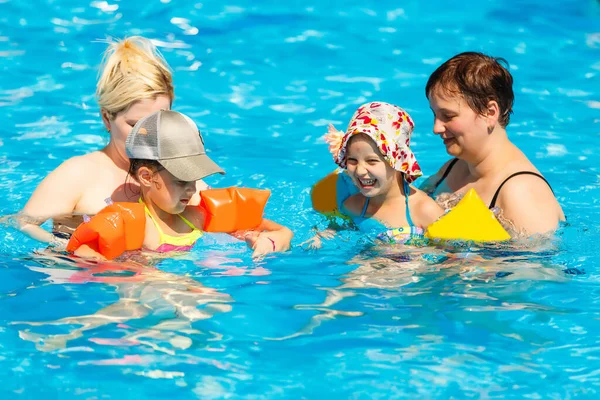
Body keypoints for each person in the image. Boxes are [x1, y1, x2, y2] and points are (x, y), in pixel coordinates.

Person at [18, 36, 205, 245]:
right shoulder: (78, 174)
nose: (151, 136)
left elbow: (222, 216)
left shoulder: (178, 172)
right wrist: (68, 249)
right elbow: (22, 224)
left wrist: (249, 236)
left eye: (160, 123)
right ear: (107, 118)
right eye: (136, 125)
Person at [74, 110, 293, 259]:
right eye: (181, 180)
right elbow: (82, 256)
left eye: (194, 179)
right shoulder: (134, 226)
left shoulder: (197, 217)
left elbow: (284, 232)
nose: (191, 189)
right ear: (147, 177)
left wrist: (268, 244)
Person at [420, 52, 565, 236]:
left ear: (489, 112)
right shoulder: (453, 168)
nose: (436, 128)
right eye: (435, 115)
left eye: (448, 116)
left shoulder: (521, 192)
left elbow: (540, 264)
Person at [308, 101, 443, 248]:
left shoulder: (423, 210)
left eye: (372, 161)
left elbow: (453, 257)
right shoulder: (354, 206)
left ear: (397, 162)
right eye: (352, 160)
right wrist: (319, 238)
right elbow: (334, 230)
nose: (359, 170)